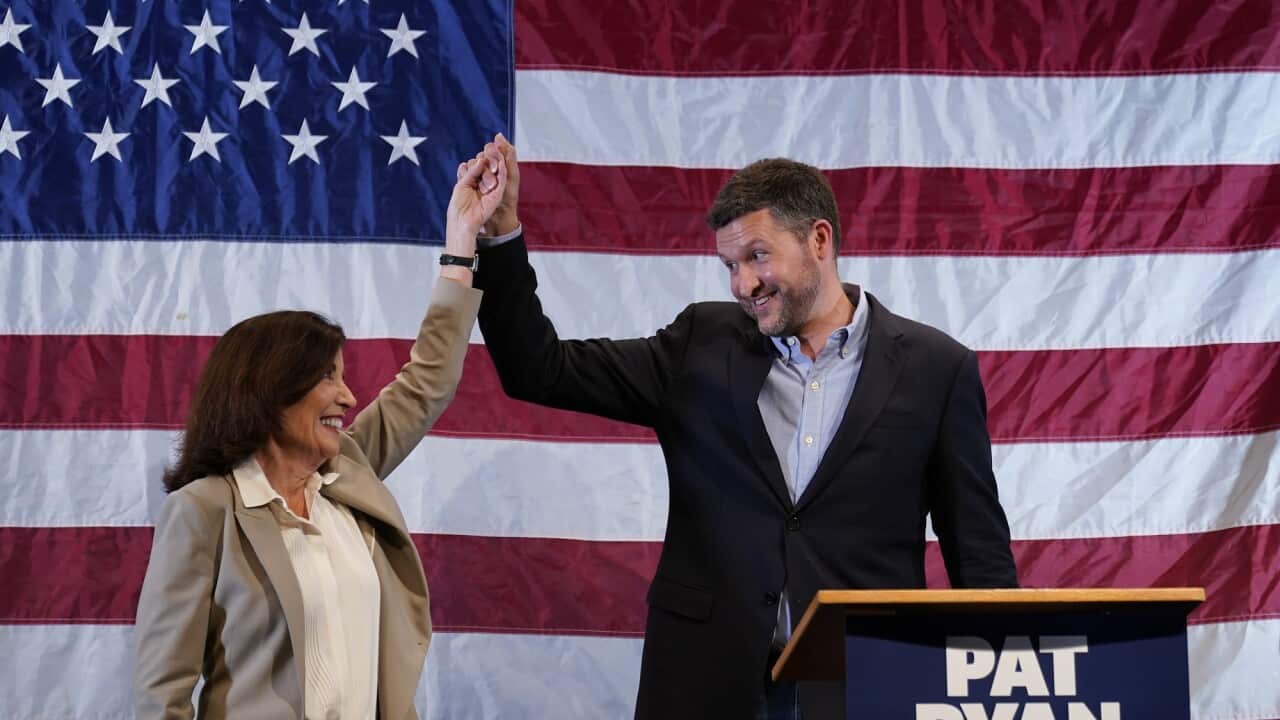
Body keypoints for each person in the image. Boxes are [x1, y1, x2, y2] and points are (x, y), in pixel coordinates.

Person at [466, 137, 1018, 719]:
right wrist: (500, 236)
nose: (741, 285)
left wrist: (1004, 684)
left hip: (865, 685)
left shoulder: (937, 368)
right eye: (730, 265)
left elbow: (978, 555)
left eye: (757, 256)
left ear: (819, 240)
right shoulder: (699, 345)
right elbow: (539, 370)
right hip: (705, 684)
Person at [133, 144, 508, 719]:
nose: (349, 396)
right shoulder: (205, 511)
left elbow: (427, 380)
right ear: (269, 390)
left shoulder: (347, 473)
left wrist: (461, 243)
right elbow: (163, 696)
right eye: (327, 377)